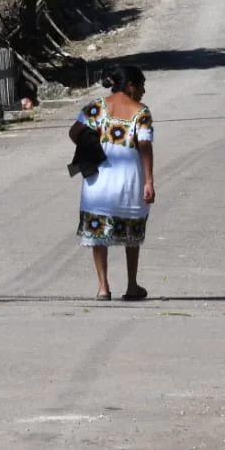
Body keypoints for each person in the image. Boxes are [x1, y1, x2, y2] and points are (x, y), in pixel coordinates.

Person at [68, 65, 155, 301]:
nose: (143, 92)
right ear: (130, 85)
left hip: (98, 182)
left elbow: (74, 132)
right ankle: (132, 285)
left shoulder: (96, 108)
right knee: (132, 234)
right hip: (129, 182)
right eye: (142, 86)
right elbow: (145, 146)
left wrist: (92, 146)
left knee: (98, 234)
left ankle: (103, 287)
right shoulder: (141, 112)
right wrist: (149, 181)